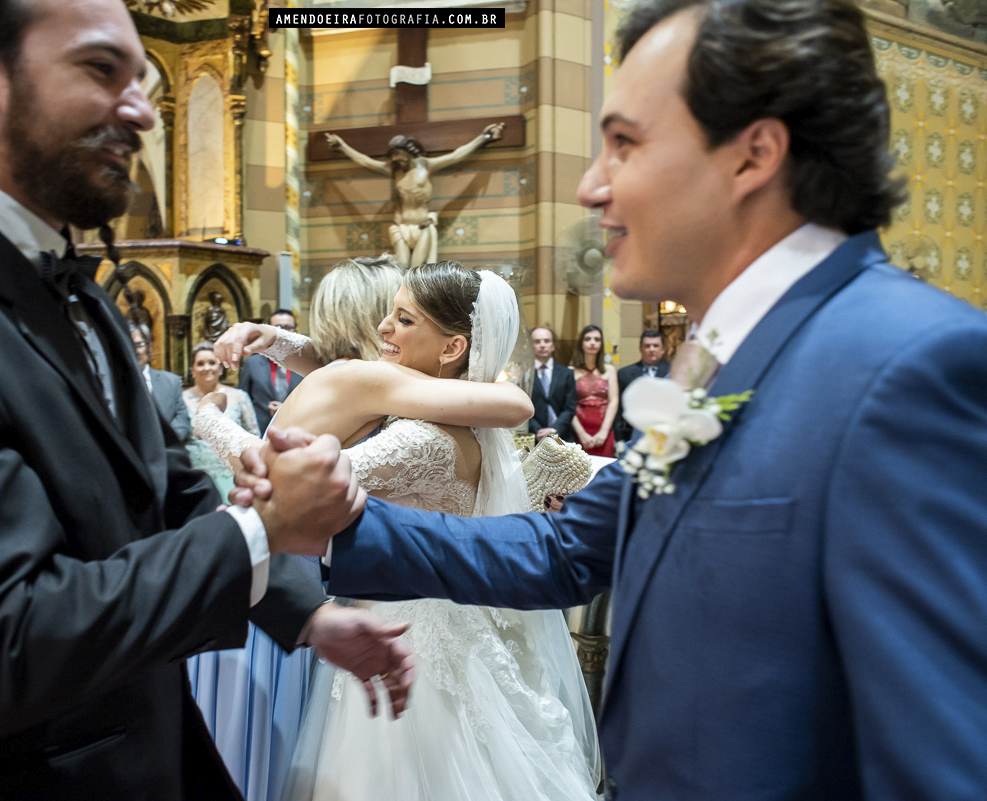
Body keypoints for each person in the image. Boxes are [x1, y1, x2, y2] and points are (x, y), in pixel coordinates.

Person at [255, 1, 987, 799]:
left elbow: (939, 752)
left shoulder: (910, 365)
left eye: (625, 144)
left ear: (754, 155)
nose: (591, 185)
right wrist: (339, 521)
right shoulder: (719, 354)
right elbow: (567, 550)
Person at [0, 2, 415, 799]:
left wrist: (304, 613)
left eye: (142, 79)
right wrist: (263, 529)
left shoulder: (79, 292)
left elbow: (167, 491)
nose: (144, 111)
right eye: (100, 69)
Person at [207, 262, 601, 801]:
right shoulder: (451, 410)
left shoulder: (423, 437)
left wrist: (203, 418)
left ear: (453, 347)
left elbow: (293, 487)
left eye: (404, 318)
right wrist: (275, 340)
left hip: (409, 636)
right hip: (447, 616)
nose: (384, 328)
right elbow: (346, 371)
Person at [325, 126, 504, 267]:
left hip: (422, 226)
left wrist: (483, 137)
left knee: (417, 270)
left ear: (410, 153)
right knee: (402, 268)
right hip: (401, 227)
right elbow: (366, 161)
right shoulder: (394, 170)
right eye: (395, 158)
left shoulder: (425, 166)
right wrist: (343, 147)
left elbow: (455, 155)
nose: (399, 161)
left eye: (402, 157)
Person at [182, 342, 259, 496]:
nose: (207, 368)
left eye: (212, 362)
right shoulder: (181, 399)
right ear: (192, 370)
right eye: (200, 363)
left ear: (220, 368)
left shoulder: (239, 396)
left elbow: (253, 435)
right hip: (196, 477)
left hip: (233, 474)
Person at [239, 309, 304, 435]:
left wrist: (285, 410)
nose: (283, 333)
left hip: (297, 432)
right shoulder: (252, 363)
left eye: (288, 328)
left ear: (295, 330)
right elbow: (243, 400)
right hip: (259, 432)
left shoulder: (305, 364)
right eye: (277, 328)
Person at [131, 322, 191, 442]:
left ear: (150, 347)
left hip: (166, 449)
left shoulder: (171, 382)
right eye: (130, 345)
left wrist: (161, 442)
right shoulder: (114, 383)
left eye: (139, 345)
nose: (135, 350)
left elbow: (182, 419)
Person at [613, 329, 669, 443]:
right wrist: (619, 439)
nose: (651, 349)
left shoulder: (674, 372)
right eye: (647, 346)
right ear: (640, 348)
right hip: (632, 435)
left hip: (666, 434)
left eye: (656, 346)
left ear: (663, 349)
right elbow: (618, 410)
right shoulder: (624, 374)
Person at [570, 324, 618, 456]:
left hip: (604, 428)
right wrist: (581, 433)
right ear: (581, 343)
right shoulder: (570, 371)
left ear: (601, 344)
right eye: (588, 339)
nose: (592, 343)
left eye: (597, 339)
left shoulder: (610, 370)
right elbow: (568, 405)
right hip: (579, 429)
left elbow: (613, 401)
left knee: (605, 466)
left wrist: (604, 431)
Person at [528, 325, 576, 442]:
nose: (542, 345)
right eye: (537, 341)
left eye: (547, 341)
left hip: (562, 436)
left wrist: (554, 429)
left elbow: (570, 408)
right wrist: (538, 430)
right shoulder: (525, 375)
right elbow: (521, 408)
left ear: (553, 345)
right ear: (531, 345)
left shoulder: (567, 373)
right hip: (534, 437)